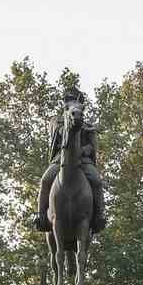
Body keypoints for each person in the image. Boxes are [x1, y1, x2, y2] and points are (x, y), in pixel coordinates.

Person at [34, 85, 106, 234]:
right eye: (69, 101)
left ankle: (99, 216)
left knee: (97, 181)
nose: (71, 103)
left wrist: (86, 149)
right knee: (45, 180)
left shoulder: (87, 125)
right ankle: (40, 216)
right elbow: (57, 133)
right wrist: (69, 126)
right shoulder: (57, 120)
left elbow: (93, 146)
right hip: (61, 158)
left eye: (74, 100)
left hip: (83, 160)